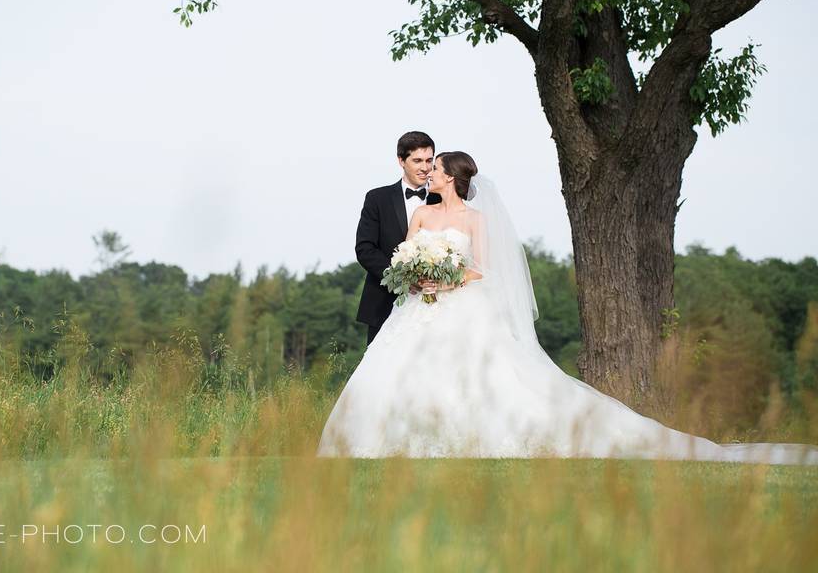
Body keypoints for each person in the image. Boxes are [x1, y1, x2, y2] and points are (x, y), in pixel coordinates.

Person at [318, 151, 818, 464]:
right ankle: (391, 441)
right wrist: (417, 272)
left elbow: (481, 269)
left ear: (450, 176)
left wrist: (447, 279)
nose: (430, 172)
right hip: (416, 304)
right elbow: (404, 251)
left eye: (436, 167)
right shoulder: (423, 213)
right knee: (401, 370)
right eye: (424, 165)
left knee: (476, 375)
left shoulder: (474, 219)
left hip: (460, 304)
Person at [355, 131, 441, 346]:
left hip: (436, 304)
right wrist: (401, 278)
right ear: (401, 161)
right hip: (384, 301)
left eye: (429, 160)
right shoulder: (377, 198)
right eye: (417, 160)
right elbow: (365, 248)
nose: (425, 167)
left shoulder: (444, 198)